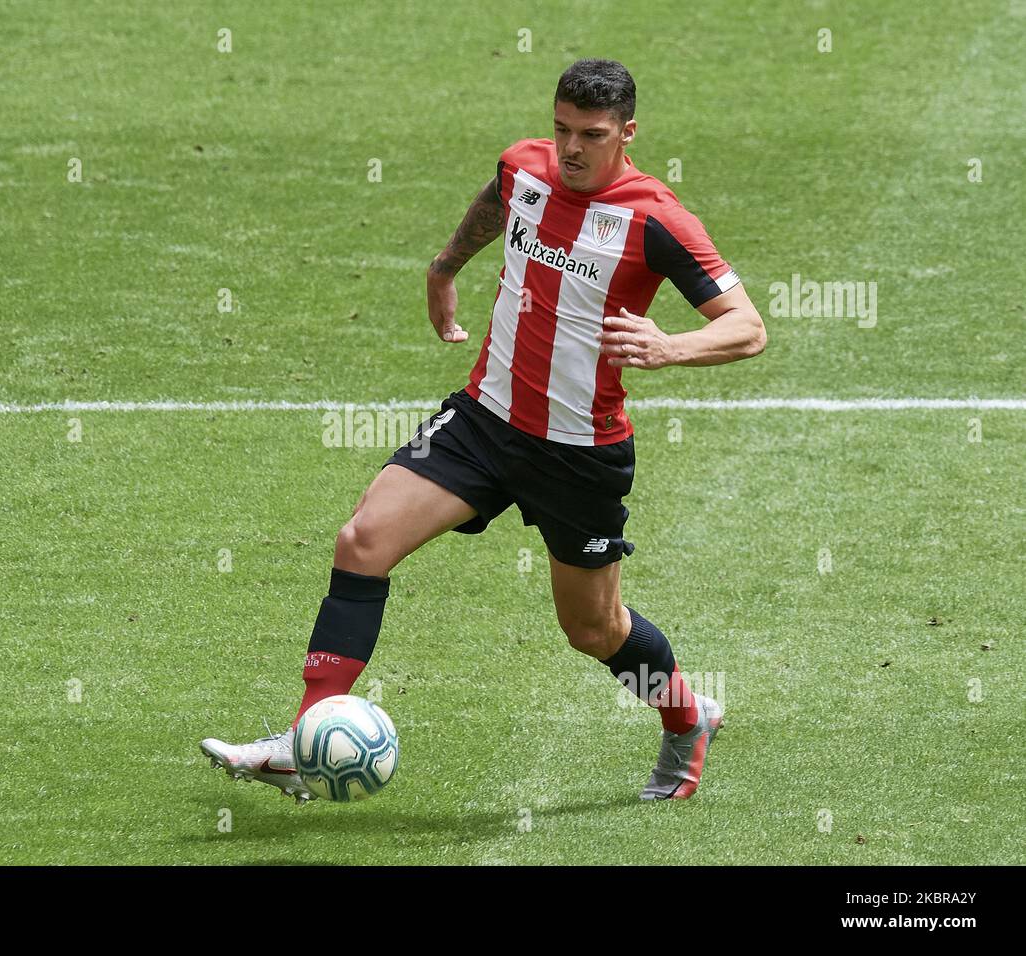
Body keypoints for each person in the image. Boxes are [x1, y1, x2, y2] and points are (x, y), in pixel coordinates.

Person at [201, 58, 766, 803]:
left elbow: (748, 328)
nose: (570, 149)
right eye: (561, 129)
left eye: (591, 136)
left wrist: (669, 348)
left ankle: (687, 719)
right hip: (484, 420)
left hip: (578, 455)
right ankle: (305, 744)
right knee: (362, 542)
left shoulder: (657, 219)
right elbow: (500, 202)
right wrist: (445, 267)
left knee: (594, 631)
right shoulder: (524, 167)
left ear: (627, 134)